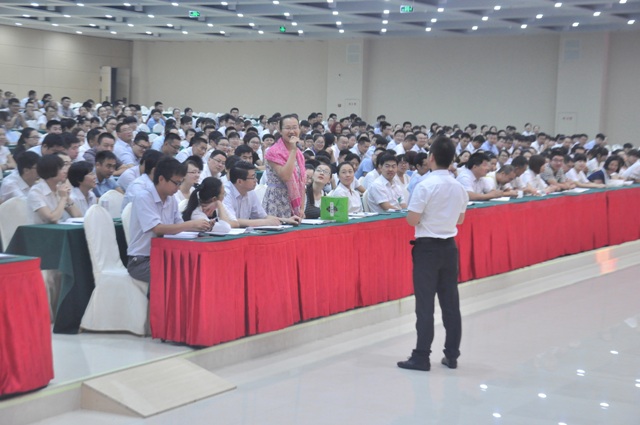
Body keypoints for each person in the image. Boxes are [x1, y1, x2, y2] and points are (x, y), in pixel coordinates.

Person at [397, 136, 468, 372]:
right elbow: (460, 219)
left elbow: (412, 219)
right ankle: (452, 355)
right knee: (451, 303)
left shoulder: (425, 185)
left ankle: (421, 356)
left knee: (425, 305)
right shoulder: (459, 187)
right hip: (449, 247)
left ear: (431, 158)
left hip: (427, 248)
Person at [127, 157, 212, 284]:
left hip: (165, 255)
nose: (178, 188)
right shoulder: (144, 197)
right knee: (180, 274)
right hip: (141, 261)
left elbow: (178, 225)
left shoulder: (170, 199)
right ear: (161, 179)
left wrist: (200, 226)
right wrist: (191, 224)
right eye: (176, 183)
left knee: (196, 266)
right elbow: (157, 229)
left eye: (180, 183)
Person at [223, 161, 301, 227]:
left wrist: (285, 220)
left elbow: (262, 216)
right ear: (239, 181)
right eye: (253, 177)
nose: (256, 180)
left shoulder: (250, 192)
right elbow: (231, 221)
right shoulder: (225, 193)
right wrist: (264, 222)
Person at [263, 114, 306, 218]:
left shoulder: (299, 153)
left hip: (294, 201)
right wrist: (293, 150)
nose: (292, 131)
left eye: (295, 127)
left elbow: (302, 181)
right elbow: (286, 176)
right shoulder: (273, 151)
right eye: (287, 128)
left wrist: (301, 208)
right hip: (277, 199)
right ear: (280, 130)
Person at [27, 153, 81, 224]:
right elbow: (52, 218)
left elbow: (78, 216)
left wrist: (67, 198)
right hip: (41, 229)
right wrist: (63, 198)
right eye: (61, 169)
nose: (65, 171)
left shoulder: (60, 189)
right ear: (51, 171)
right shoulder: (36, 192)